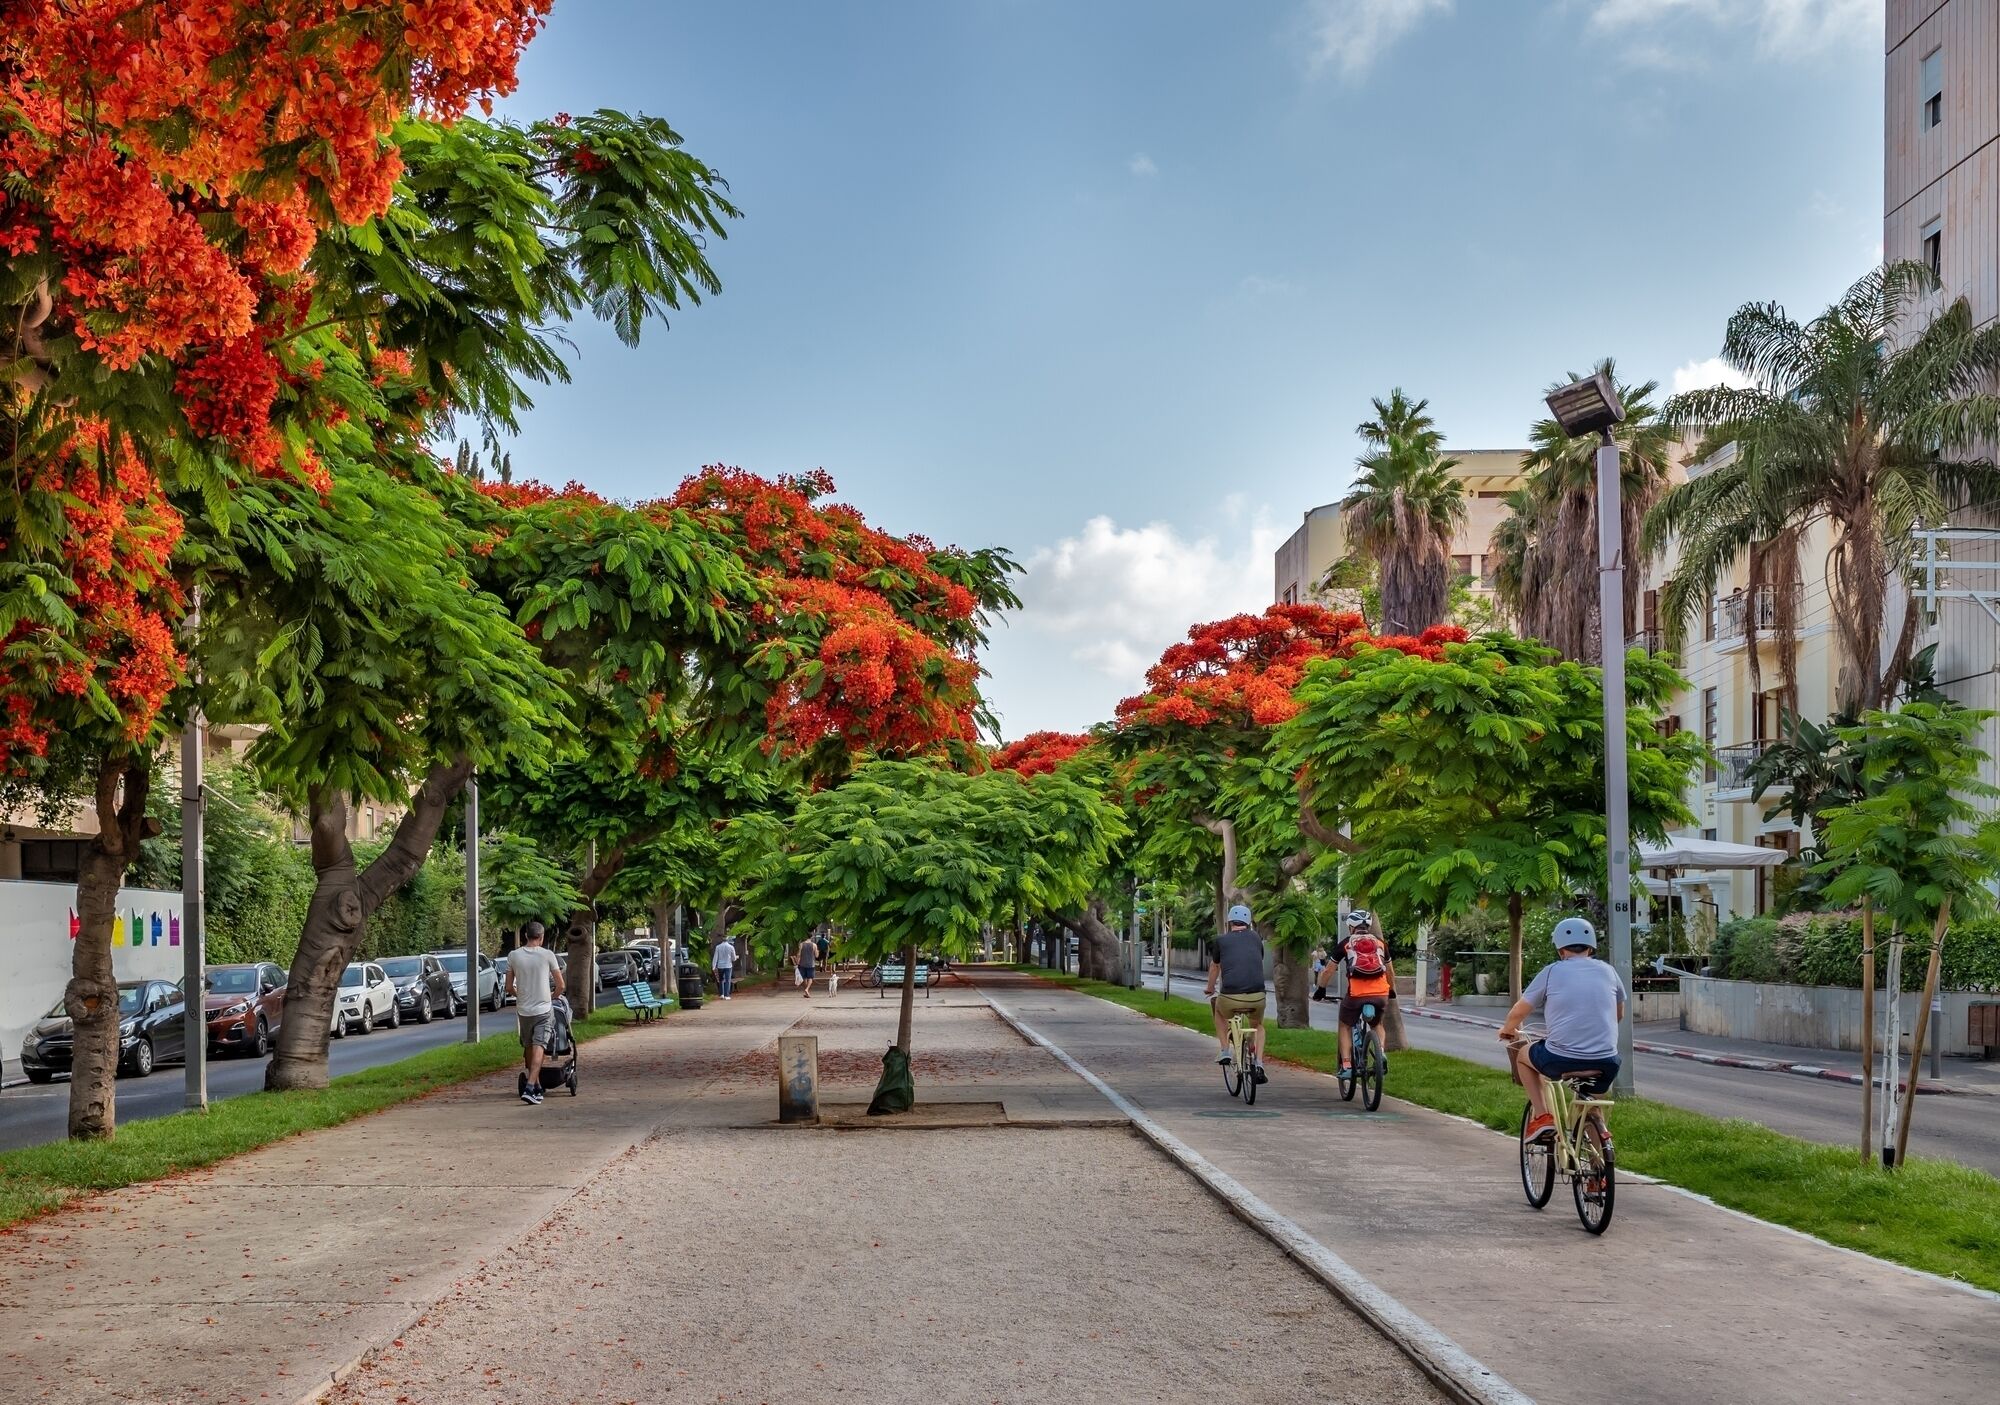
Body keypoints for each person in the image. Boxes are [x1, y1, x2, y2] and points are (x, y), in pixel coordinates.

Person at [1498, 916, 1625, 1143]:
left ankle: (1543, 1117)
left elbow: (1519, 1012)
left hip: (1561, 1058)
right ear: (1591, 947)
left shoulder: (1552, 972)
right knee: (1594, 1107)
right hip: (1606, 1061)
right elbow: (1619, 1015)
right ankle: (1598, 1172)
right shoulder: (1609, 971)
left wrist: (1507, 1029)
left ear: (1560, 949)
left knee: (1524, 1057)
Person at [1204, 903, 1268, 1083]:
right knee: (1258, 1025)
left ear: (1229, 922)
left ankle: (1225, 1050)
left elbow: (1215, 967)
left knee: (1218, 1008)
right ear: (1248, 922)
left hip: (1230, 996)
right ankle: (1259, 1062)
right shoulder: (1256, 938)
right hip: (1257, 996)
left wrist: (1210, 988)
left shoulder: (1221, 941)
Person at [503, 920, 564, 1106]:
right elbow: (561, 985)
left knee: (529, 1046)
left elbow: (508, 987)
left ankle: (537, 1086)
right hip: (543, 1009)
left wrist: (518, 994)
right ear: (542, 936)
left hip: (524, 1010)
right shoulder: (548, 955)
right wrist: (552, 996)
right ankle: (530, 1087)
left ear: (525, 936)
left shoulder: (513, 956)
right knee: (540, 1046)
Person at [1333, 910, 1396, 1074]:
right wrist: (1392, 990)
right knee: (1377, 1025)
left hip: (1356, 995)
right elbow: (1390, 971)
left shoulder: (1346, 943)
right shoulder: (1381, 943)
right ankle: (1380, 1052)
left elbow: (1327, 971)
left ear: (1350, 927)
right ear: (1367, 925)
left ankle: (1346, 1066)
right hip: (1380, 993)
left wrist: (1320, 989)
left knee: (1344, 1025)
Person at [711, 934, 737, 999]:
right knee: (728, 980)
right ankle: (727, 995)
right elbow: (734, 958)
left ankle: (721, 994)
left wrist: (713, 966)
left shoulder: (718, 947)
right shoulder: (731, 947)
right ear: (728, 940)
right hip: (728, 965)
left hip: (720, 966)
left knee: (721, 980)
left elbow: (715, 957)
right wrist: (735, 958)